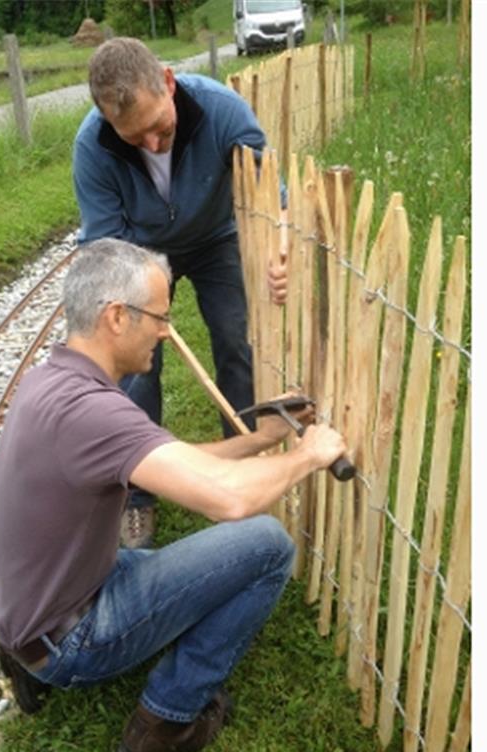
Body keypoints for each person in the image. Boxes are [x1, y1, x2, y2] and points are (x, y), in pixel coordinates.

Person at [0, 238, 346, 752]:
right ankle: (166, 721)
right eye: (159, 317)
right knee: (267, 545)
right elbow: (230, 498)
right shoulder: (95, 413)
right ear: (117, 317)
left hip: (41, 609)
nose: (165, 331)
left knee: (196, 565)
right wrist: (308, 455)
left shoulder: (54, 380)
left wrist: (260, 439)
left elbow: (179, 463)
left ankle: (32, 659)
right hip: (71, 638)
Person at [72, 37, 289, 549]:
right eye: (134, 137)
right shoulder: (92, 146)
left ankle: (243, 463)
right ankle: (138, 494)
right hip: (140, 250)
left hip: (216, 239)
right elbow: (107, 247)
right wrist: (144, 308)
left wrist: (281, 248)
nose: (151, 144)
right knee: (135, 366)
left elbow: (274, 192)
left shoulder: (222, 110)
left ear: (168, 82)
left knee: (236, 342)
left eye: (159, 127)